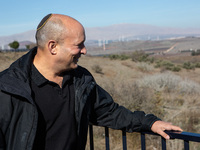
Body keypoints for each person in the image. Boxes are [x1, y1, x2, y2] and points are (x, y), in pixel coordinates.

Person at [0, 14, 182, 150]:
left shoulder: (81, 80)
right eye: (79, 45)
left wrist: (149, 123)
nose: (84, 51)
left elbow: (109, 112)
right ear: (53, 46)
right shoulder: (7, 88)